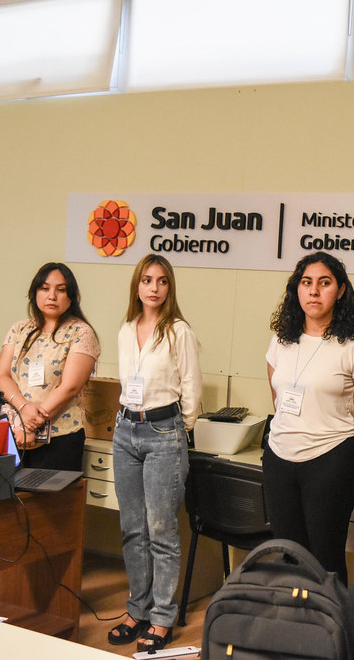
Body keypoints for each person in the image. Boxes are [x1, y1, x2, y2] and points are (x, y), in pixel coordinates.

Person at [264, 251, 354, 585]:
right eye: (306, 283)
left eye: (324, 283)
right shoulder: (280, 341)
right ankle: (294, 629)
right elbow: (278, 399)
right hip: (279, 458)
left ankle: (331, 632)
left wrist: (343, 461)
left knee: (325, 558)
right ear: (296, 290)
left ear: (341, 291)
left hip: (331, 461)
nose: (314, 291)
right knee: (288, 554)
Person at [109, 254, 201, 653]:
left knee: (162, 531)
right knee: (133, 529)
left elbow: (192, 389)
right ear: (137, 285)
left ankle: (162, 617)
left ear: (169, 288)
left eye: (162, 281)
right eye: (147, 280)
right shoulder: (127, 330)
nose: (154, 288)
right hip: (125, 430)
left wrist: (180, 430)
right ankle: (137, 609)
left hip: (165, 431)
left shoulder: (179, 331)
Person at [0, 262, 99, 471]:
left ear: (71, 296)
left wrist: (32, 423)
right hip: (14, 432)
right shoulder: (19, 329)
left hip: (60, 437)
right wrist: (23, 410)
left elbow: (70, 387)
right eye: (45, 288)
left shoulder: (81, 332)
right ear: (34, 293)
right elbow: (2, 376)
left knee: (53, 503)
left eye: (61, 290)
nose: (52, 296)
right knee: (9, 501)